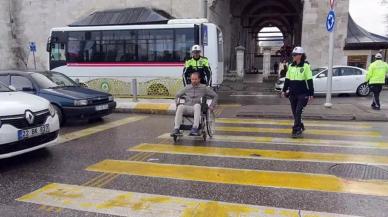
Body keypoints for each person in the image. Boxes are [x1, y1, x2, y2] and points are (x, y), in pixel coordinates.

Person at [171, 72, 218, 136]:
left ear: (199, 79)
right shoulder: (187, 87)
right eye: (192, 79)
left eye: (195, 79)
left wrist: (212, 105)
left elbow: (215, 95)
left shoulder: (204, 88)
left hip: (197, 109)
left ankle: (195, 128)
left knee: (197, 105)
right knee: (180, 107)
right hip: (187, 107)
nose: (194, 81)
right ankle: (176, 129)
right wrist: (177, 103)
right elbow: (177, 95)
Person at [281, 46, 314, 138]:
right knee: (295, 113)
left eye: (295, 55)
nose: (293, 56)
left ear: (300, 55)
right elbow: (287, 79)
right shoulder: (291, 66)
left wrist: (311, 93)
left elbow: (309, 80)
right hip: (292, 93)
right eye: (293, 55)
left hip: (303, 93)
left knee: (298, 111)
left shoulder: (306, 66)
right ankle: (300, 124)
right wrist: (284, 90)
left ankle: (296, 129)